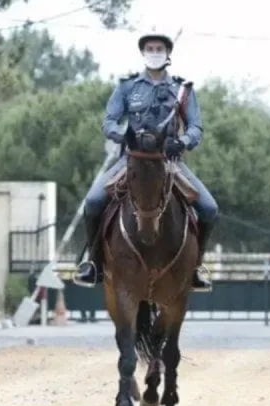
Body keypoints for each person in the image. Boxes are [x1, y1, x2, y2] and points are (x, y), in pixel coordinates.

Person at [73, 31, 219, 289]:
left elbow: (196, 126)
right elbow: (109, 121)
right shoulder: (128, 86)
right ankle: (93, 264)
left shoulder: (182, 90)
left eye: (159, 48)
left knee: (209, 208)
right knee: (94, 201)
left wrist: (183, 142)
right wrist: (122, 135)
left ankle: (196, 267)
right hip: (132, 159)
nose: (154, 52)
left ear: (168, 54)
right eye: (149, 48)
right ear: (143, 53)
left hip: (170, 161)